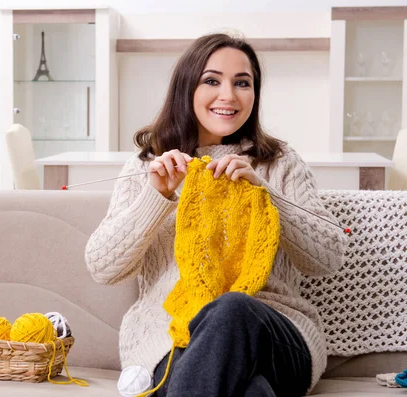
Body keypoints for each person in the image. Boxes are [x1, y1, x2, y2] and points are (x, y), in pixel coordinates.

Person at [84, 33, 348, 397]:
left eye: (242, 83)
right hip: (172, 339)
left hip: (276, 335)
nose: (229, 95)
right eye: (212, 81)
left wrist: (265, 195)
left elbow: (328, 258)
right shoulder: (147, 166)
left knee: (233, 308)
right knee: (253, 392)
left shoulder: (280, 162)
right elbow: (103, 266)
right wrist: (156, 197)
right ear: (186, 89)